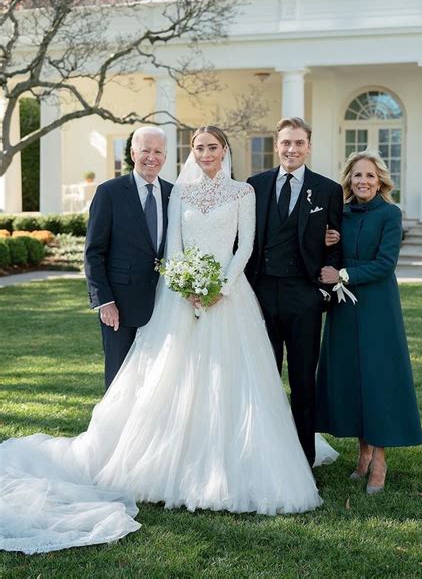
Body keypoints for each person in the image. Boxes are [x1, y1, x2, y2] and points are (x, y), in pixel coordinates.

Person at [0, 126, 338, 555]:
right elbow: (173, 245)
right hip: (181, 298)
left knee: (236, 384)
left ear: (224, 151)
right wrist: (186, 284)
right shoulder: (179, 192)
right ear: (191, 151)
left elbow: (246, 246)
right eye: (198, 147)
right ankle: (164, 467)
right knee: (170, 381)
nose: (206, 153)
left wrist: (222, 287)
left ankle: (235, 467)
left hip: (229, 300)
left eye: (213, 147)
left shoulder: (242, 193)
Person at [316, 149, 422, 494]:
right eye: (357, 175)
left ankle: (379, 461)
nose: (363, 181)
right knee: (352, 379)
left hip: (377, 307)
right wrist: (327, 243)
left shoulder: (390, 214)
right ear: (349, 179)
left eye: (370, 176)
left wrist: (343, 273)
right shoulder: (341, 213)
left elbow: (385, 263)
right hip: (344, 310)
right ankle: (362, 453)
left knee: (377, 380)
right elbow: (328, 257)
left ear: (380, 182)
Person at [245, 117, 343, 467]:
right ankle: (262, 457)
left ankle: (303, 459)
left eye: (299, 142)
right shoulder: (253, 186)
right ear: (277, 145)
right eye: (286, 142)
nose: (292, 149)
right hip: (259, 295)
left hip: (303, 297)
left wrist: (321, 292)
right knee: (263, 379)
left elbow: (336, 243)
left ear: (309, 146)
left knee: (303, 383)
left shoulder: (328, 189)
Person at [84, 126, 173, 389]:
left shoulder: (173, 194)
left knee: (156, 382)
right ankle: (114, 430)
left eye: (158, 151)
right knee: (119, 379)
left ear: (165, 157)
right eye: (145, 150)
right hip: (119, 306)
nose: (151, 157)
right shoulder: (109, 192)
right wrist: (105, 302)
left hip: (162, 304)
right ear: (133, 152)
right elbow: (93, 252)